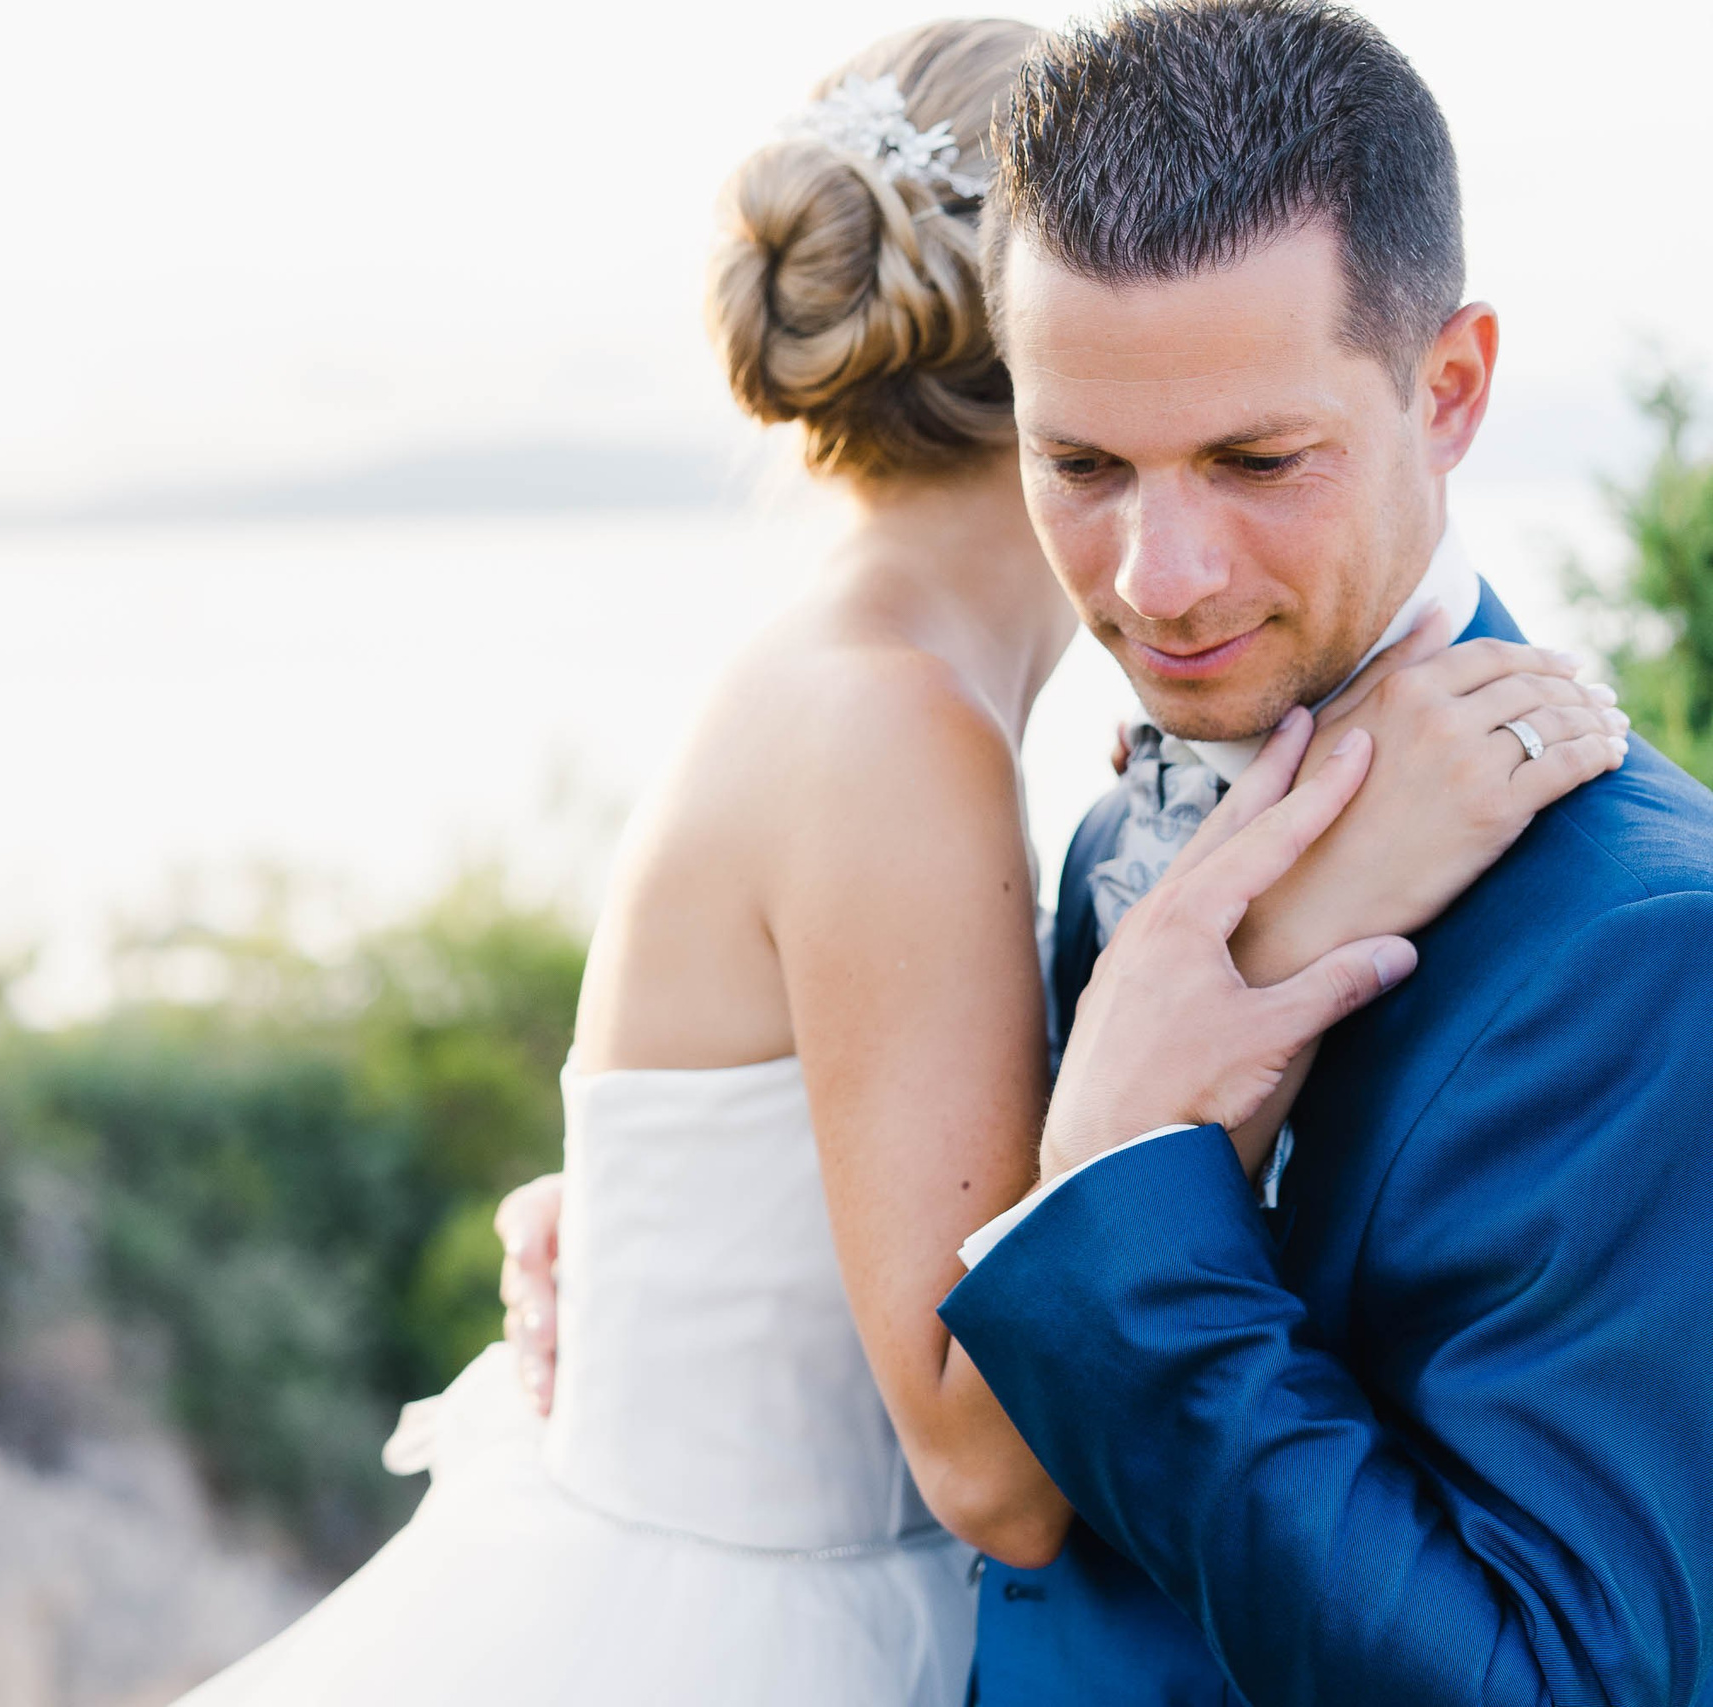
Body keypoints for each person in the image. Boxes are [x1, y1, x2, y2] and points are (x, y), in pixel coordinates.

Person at [188, 14, 1619, 1706]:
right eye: (1094, 452)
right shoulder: (896, 734)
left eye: (1254, 454)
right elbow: (988, 1472)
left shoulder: (883, 693)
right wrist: (1302, 909)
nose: (1169, 566)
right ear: (1046, 334)